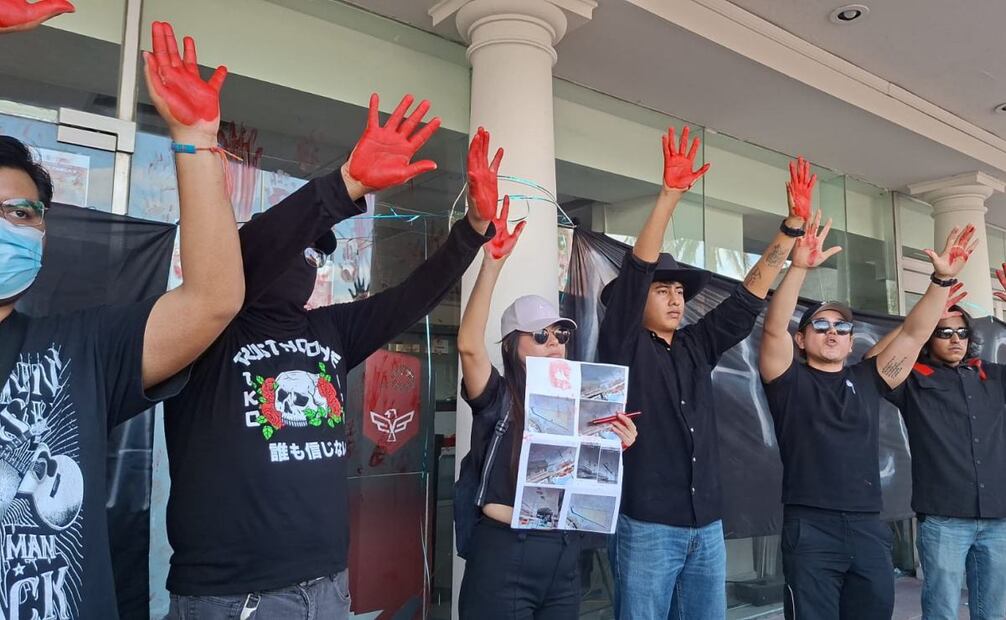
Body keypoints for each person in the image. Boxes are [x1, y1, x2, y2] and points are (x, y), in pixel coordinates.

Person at [161, 100, 497, 617]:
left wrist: (473, 230)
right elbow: (255, 254)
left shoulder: (330, 329)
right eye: (301, 250)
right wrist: (343, 187)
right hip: (234, 597)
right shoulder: (209, 328)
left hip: (327, 587)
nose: (310, 264)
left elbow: (413, 297)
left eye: (316, 256)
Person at [0, 20, 243, 619]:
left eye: (23, 213)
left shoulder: (78, 348)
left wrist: (192, 140)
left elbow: (213, 299)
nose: (8, 225)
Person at [599, 130, 812, 618]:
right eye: (662, 290)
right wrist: (670, 197)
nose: (676, 298)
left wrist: (791, 228)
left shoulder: (696, 345)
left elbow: (746, 299)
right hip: (648, 525)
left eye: (679, 291)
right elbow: (636, 270)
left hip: (707, 526)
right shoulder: (622, 344)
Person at [758, 207, 976, 620]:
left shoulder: (868, 377)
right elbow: (773, 327)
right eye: (820, 326)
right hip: (810, 528)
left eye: (842, 327)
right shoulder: (787, 380)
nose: (833, 333)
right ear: (801, 340)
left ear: (852, 340)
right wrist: (799, 266)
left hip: (868, 528)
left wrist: (941, 281)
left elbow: (914, 333)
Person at [456, 135, 636, 617]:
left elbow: (593, 478)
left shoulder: (585, 403)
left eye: (560, 335)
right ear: (512, 346)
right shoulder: (496, 395)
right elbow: (469, 344)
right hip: (503, 549)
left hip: (563, 552)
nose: (554, 342)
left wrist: (618, 442)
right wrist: (492, 263)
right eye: (540, 336)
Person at [864, 278, 1006, 620]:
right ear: (929, 337)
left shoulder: (994, 376)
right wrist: (920, 318)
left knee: (995, 613)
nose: (955, 339)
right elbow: (871, 362)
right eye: (943, 332)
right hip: (944, 519)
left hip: (998, 517)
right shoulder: (914, 378)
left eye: (961, 332)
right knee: (941, 611)